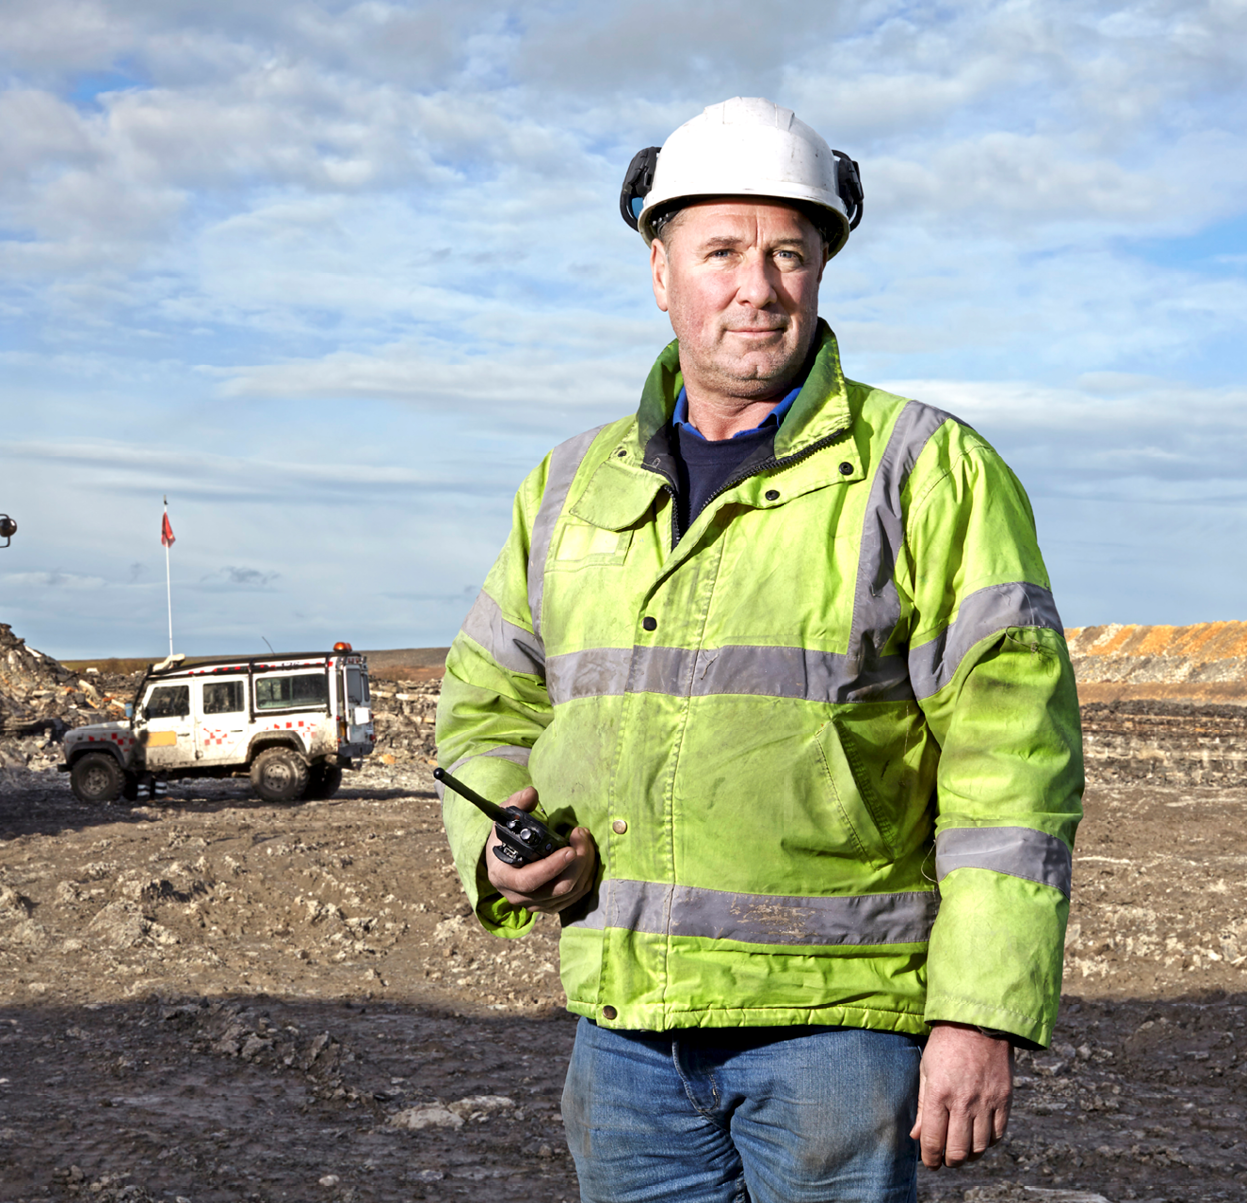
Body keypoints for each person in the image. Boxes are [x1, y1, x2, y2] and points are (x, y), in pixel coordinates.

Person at [434, 97, 1082, 1202]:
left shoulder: (924, 471)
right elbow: (486, 708)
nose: (757, 286)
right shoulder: (569, 488)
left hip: (835, 1039)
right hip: (626, 1034)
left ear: (824, 265)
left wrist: (978, 1012)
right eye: (721, 251)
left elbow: (1010, 766)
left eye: (789, 253)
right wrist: (498, 851)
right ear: (659, 267)